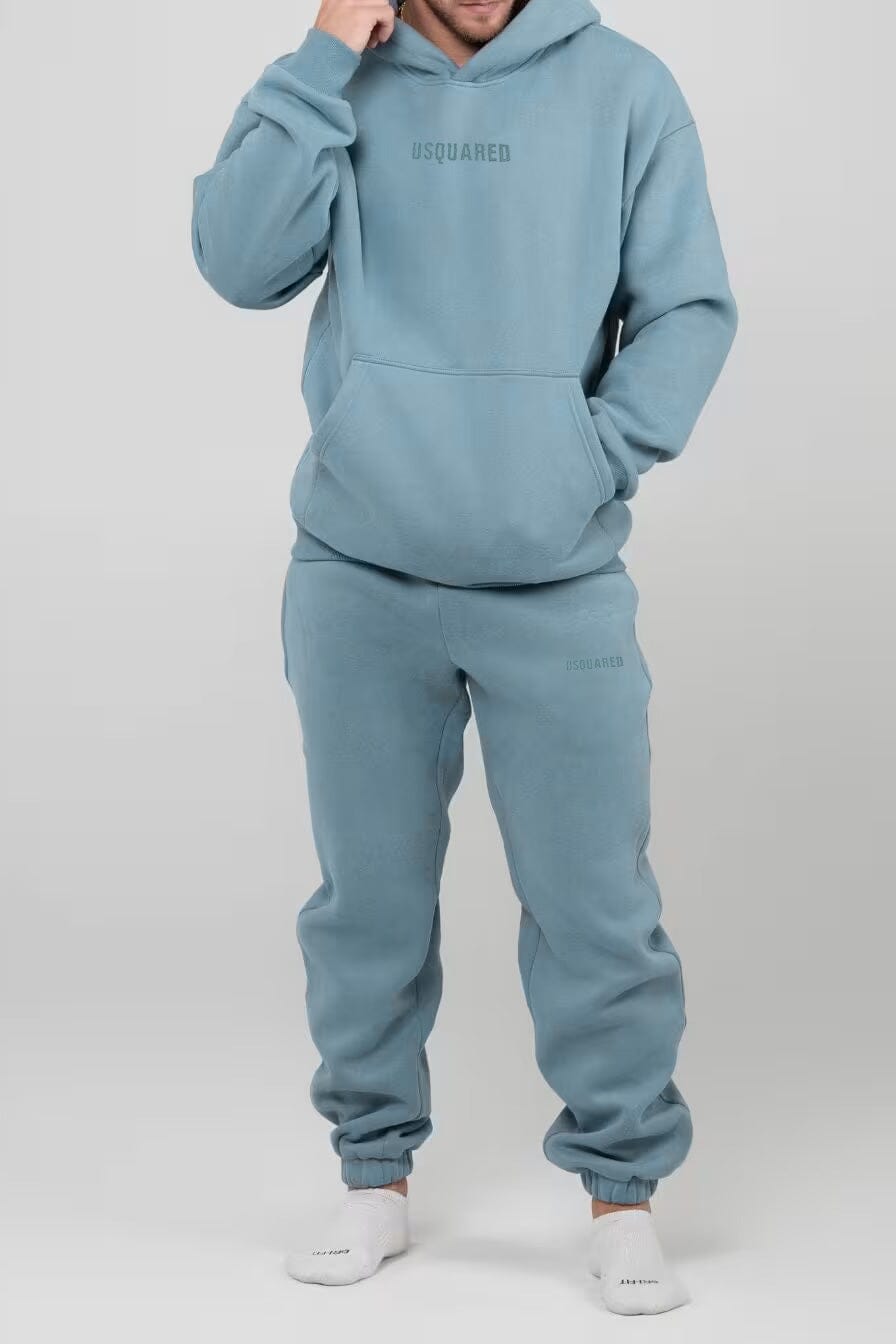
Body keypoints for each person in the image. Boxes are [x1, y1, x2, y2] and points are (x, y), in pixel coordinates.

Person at [192, 0, 737, 1315]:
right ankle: (373, 1176)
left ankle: (622, 1196)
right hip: (359, 574)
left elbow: (688, 310)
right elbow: (238, 259)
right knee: (367, 905)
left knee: (596, 904)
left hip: (556, 582)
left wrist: (584, 460)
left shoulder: (625, 88)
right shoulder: (337, 78)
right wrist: (324, 57)